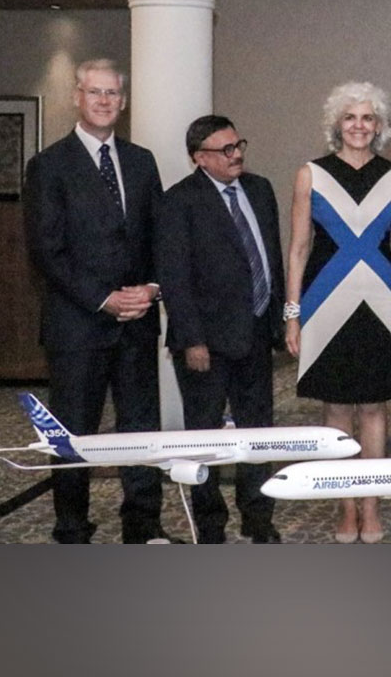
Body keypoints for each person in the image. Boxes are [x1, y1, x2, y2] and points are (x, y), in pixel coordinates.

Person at [22, 59, 168, 544]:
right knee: (73, 434)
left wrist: (152, 288)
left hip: (138, 323)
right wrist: (103, 299)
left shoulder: (142, 162)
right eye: (94, 92)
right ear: (77, 98)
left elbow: (159, 238)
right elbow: (47, 251)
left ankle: (142, 523)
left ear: (123, 103)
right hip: (77, 326)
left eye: (112, 94)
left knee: (141, 430)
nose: (104, 101)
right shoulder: (49, 166)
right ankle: (72, 526)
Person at [284, 81, 391, 544]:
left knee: (375, 407)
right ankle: (345, 507)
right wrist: (292, 314)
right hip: (325, 304)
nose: (359, 126)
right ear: (336, 124)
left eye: (367, 118)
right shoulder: (311, 175)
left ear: (379, 126)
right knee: (337, 408)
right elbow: (298, 249)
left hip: (380, 303)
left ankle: (371, 505)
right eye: (350, 117)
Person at [157, 115, 286, 544]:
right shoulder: (179, 201)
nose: (237, 155)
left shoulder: (260, 189)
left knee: (258, 435)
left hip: (256, 333)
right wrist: (192, 339)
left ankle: (258, 517)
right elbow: (174, 277)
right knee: (205, 438)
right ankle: (211, 525)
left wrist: (280, 318)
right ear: (200, 158)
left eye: (238, 145)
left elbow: (271, 257)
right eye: (225, 150)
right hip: (206, 344)